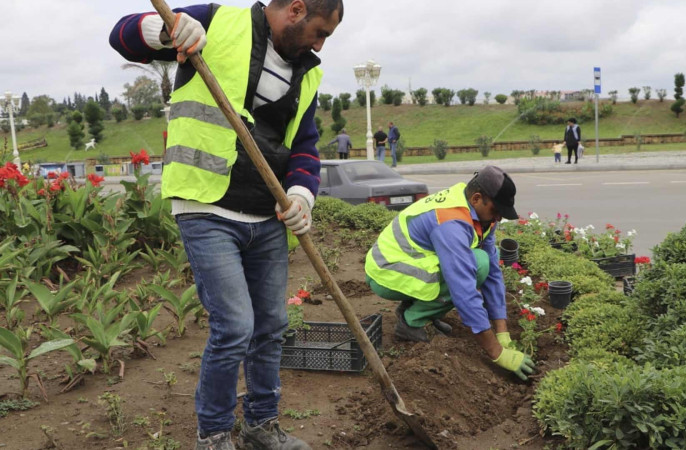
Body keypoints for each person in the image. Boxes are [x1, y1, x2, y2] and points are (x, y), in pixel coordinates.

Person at [110, 1, 343, 449]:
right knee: (235, 326)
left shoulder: (307, 72)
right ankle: (214, 435)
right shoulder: (216, 22)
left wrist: (301, 195)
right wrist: (166, 29)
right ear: (295, 9)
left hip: (267, 215)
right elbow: (121, 36)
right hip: (205, 204)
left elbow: (306, 148)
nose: (319, 44)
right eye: (319, 32)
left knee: (271, 324)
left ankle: (260, 425)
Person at [364, 166, 536, 381]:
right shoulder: (452, 222)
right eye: (495, 210)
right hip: (386, 272)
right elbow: (463, 290)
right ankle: (411, 321)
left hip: (409, 266)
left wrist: (502, 332)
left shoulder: (481, 216)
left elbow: (493, 271)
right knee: (474, 268)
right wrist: (497, 353)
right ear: (476, 198)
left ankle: (418, 307)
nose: (498, 218)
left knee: (483, 264)